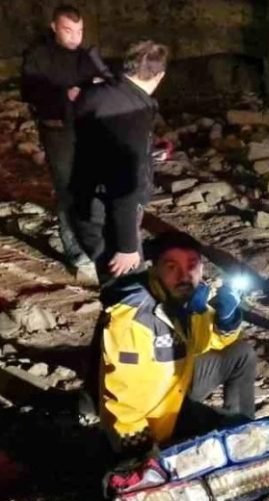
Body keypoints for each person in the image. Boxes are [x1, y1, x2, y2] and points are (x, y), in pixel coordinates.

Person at [98, 231, 254, 455]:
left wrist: (226, 321)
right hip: (152, 420)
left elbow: (203, 345)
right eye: (172, 267)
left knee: (241, 353)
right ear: (155, 269)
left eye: (192, 265)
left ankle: (244, 441)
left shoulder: (186, 300)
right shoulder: (133, 318)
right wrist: (143, 453)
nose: (184, 275)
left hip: (176, 390)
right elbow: (123, 401)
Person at [20, 4, 111, 279]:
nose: (75, 37)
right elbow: (30, 91)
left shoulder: (87, 55)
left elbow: (109, 81)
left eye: (79, 30)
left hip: (88, 130)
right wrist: (63, 95)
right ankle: (74, 249)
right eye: (68, 31)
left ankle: (98, 238)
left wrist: (99, 86)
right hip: (57, 130)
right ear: (54, 27)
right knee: (67, 188)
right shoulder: (38, 56)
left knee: (95, 184)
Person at [70, 40, 168, 286]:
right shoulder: (132, 115)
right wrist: (127, 246)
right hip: (106, 211)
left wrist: (147, 152)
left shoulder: (95, 94)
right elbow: (124, 185)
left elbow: (101, 141)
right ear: (160, 76)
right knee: (126, 287)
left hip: (85, 198)